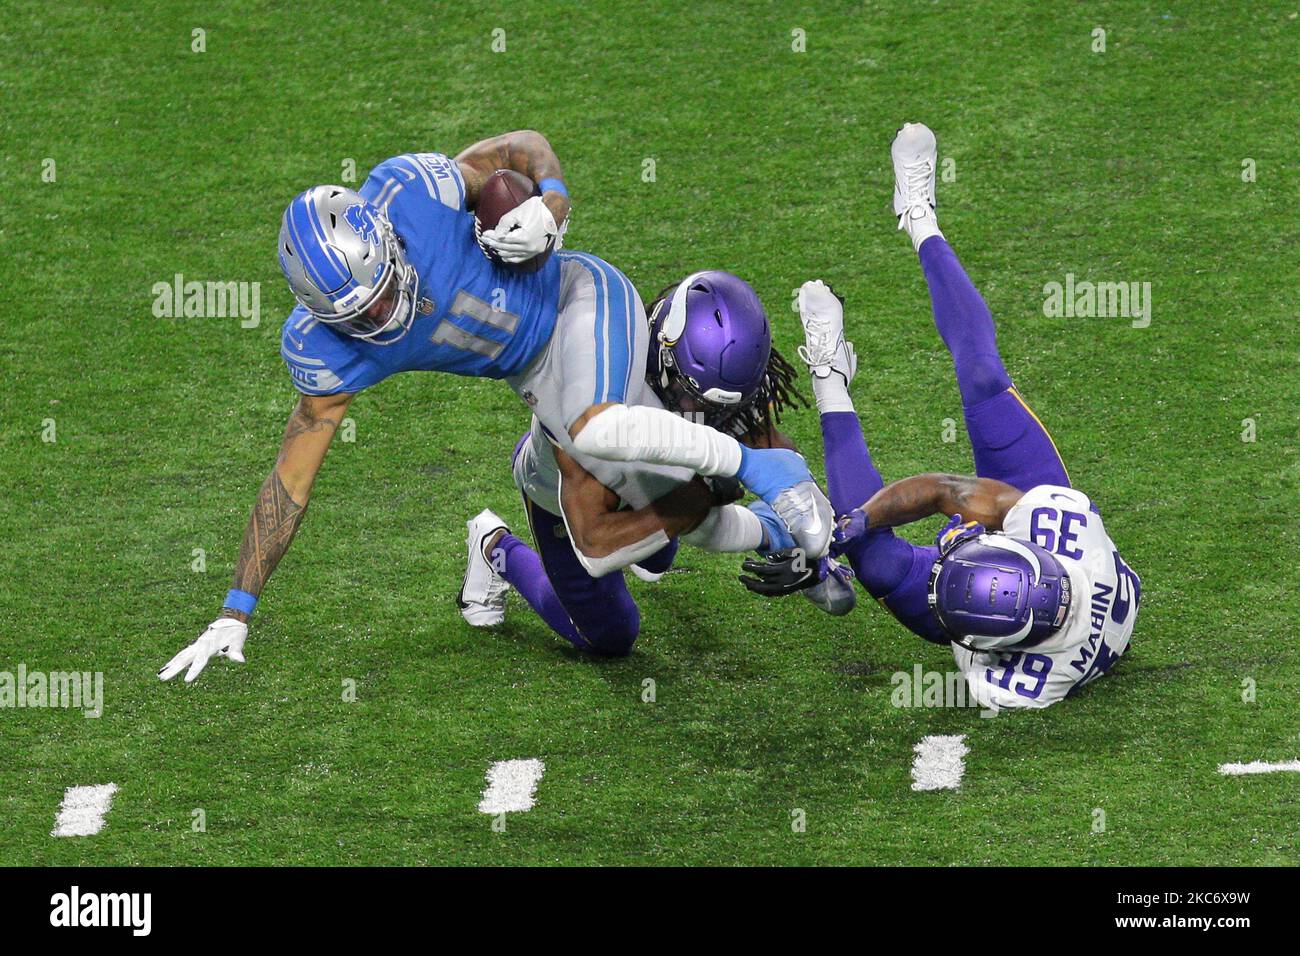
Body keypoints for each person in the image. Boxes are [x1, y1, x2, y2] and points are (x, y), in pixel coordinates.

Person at [159, 133, 831, 684]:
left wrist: (552, 206)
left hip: (580, 300)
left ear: (389, 241)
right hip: (542, 389)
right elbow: (289, 483)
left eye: (386, 291)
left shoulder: (412, 195)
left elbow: (523, 149)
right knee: (616, 627)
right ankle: (496, 544)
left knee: (637, 424)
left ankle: (784, 493)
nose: (387, 314)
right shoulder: (326, 352)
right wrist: (235, 611)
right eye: (364, 315)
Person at [743, 124, 1140, 709]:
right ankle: (919, 213)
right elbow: (945, 491)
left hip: (1005, 603)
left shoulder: (1006, 683)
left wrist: (839, 549)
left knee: (876, 563)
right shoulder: (1067, 525)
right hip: (1040, 548)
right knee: (983, 380)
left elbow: (937, 561)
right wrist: (848, 525)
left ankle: (828, 377)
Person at [460, 271, 854, 656]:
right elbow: (596, 545)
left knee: (659, 549)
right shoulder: (593, 394)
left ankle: (659, 525)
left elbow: (775, 460)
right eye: (692, 397)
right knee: (610, 635)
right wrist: (691, 505)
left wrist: (812, 552)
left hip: (638, 479)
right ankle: (495, 546)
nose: (703, 414)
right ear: (664, 355)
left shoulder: (715, 383)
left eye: (719, 406)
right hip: (563, 492)